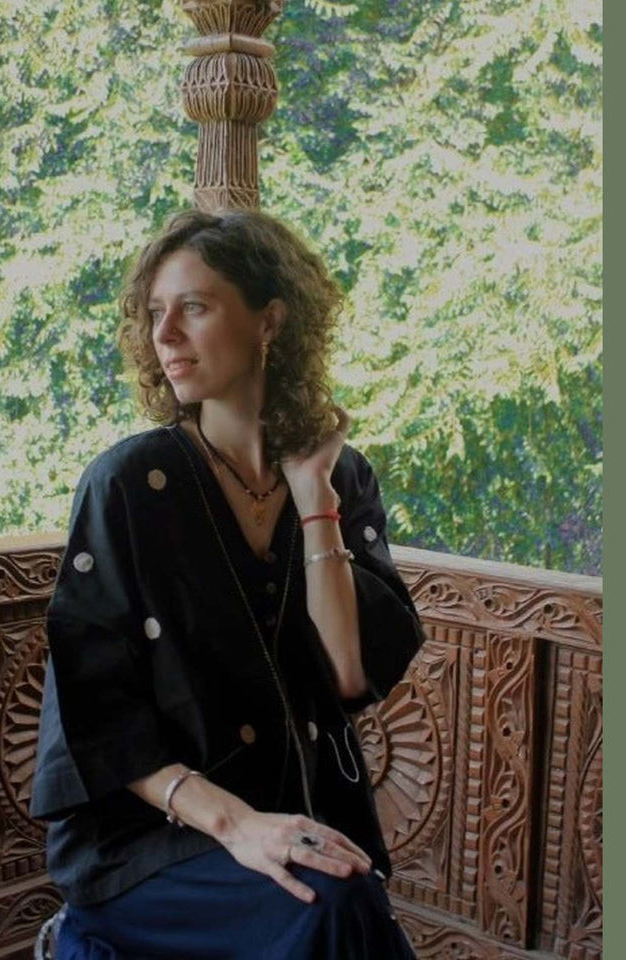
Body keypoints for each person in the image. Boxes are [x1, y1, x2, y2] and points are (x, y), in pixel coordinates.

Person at [30, 209, 425, 959]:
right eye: (155, 313)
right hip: (150, 838)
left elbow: (348, 676)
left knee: (340, 895)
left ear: (270, 321)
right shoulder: (127, 484)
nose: (166, 334)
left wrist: (315, 501)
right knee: (335, 904)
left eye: (194, 307)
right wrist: (236, 824)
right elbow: (97, 710)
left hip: (297, 809)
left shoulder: (340, 476)